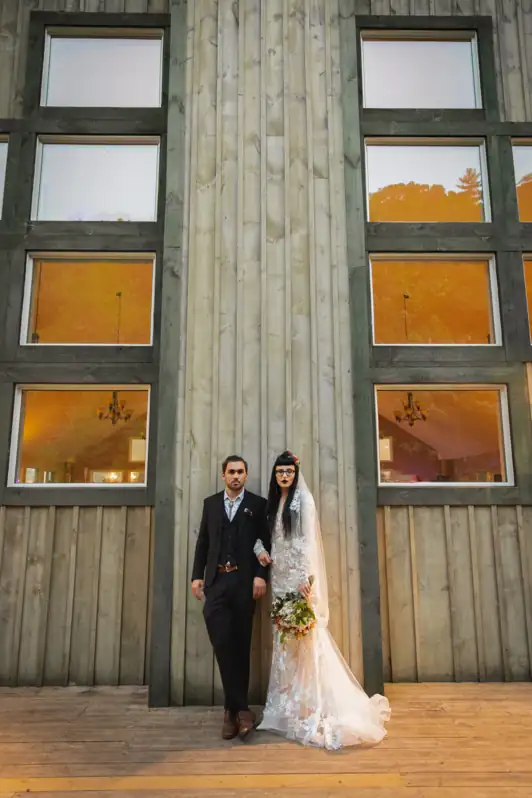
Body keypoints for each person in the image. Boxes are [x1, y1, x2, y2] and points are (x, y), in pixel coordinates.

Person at [253, 450, 390, 750]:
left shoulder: (303, 501)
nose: (284, 476)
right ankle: (285, 706)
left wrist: (307, 581)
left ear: (296, 474)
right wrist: (259, 551)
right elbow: (263, 537)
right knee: (284, 642)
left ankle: (311, 705)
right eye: (280, 472)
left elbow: (308, 543)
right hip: (279, 580)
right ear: (275, 476)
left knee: (306, 639)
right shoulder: (272, 504)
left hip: (299, 582)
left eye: (289, 472)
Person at [191, 455, 271, 741]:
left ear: (246, 476)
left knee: (241, 644)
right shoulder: (210, 504)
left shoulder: (258, 505)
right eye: (231, 472)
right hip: (216, 582)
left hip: (244, 582)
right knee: (223, 644)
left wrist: (261, 574)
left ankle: (230, 712)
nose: (236, 476)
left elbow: (266, 541)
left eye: (240, 472)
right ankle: (241, 709)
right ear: (223, 475)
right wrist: (196, 576)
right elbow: (203, 542)